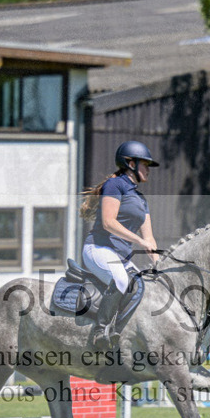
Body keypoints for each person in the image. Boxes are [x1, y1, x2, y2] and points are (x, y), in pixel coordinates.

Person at [79, 140, 160, 349]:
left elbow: (149, 239)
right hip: (98, 248)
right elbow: (108, 222)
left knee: (143, 286)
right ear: (130, 163)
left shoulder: (141, 200)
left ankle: (122, 334)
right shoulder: (115, 185)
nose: (148, 170)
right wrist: (139, 241)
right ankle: (101, 331)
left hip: (120, 257)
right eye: (145, 164)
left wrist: (160, 265)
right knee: (121, 280)